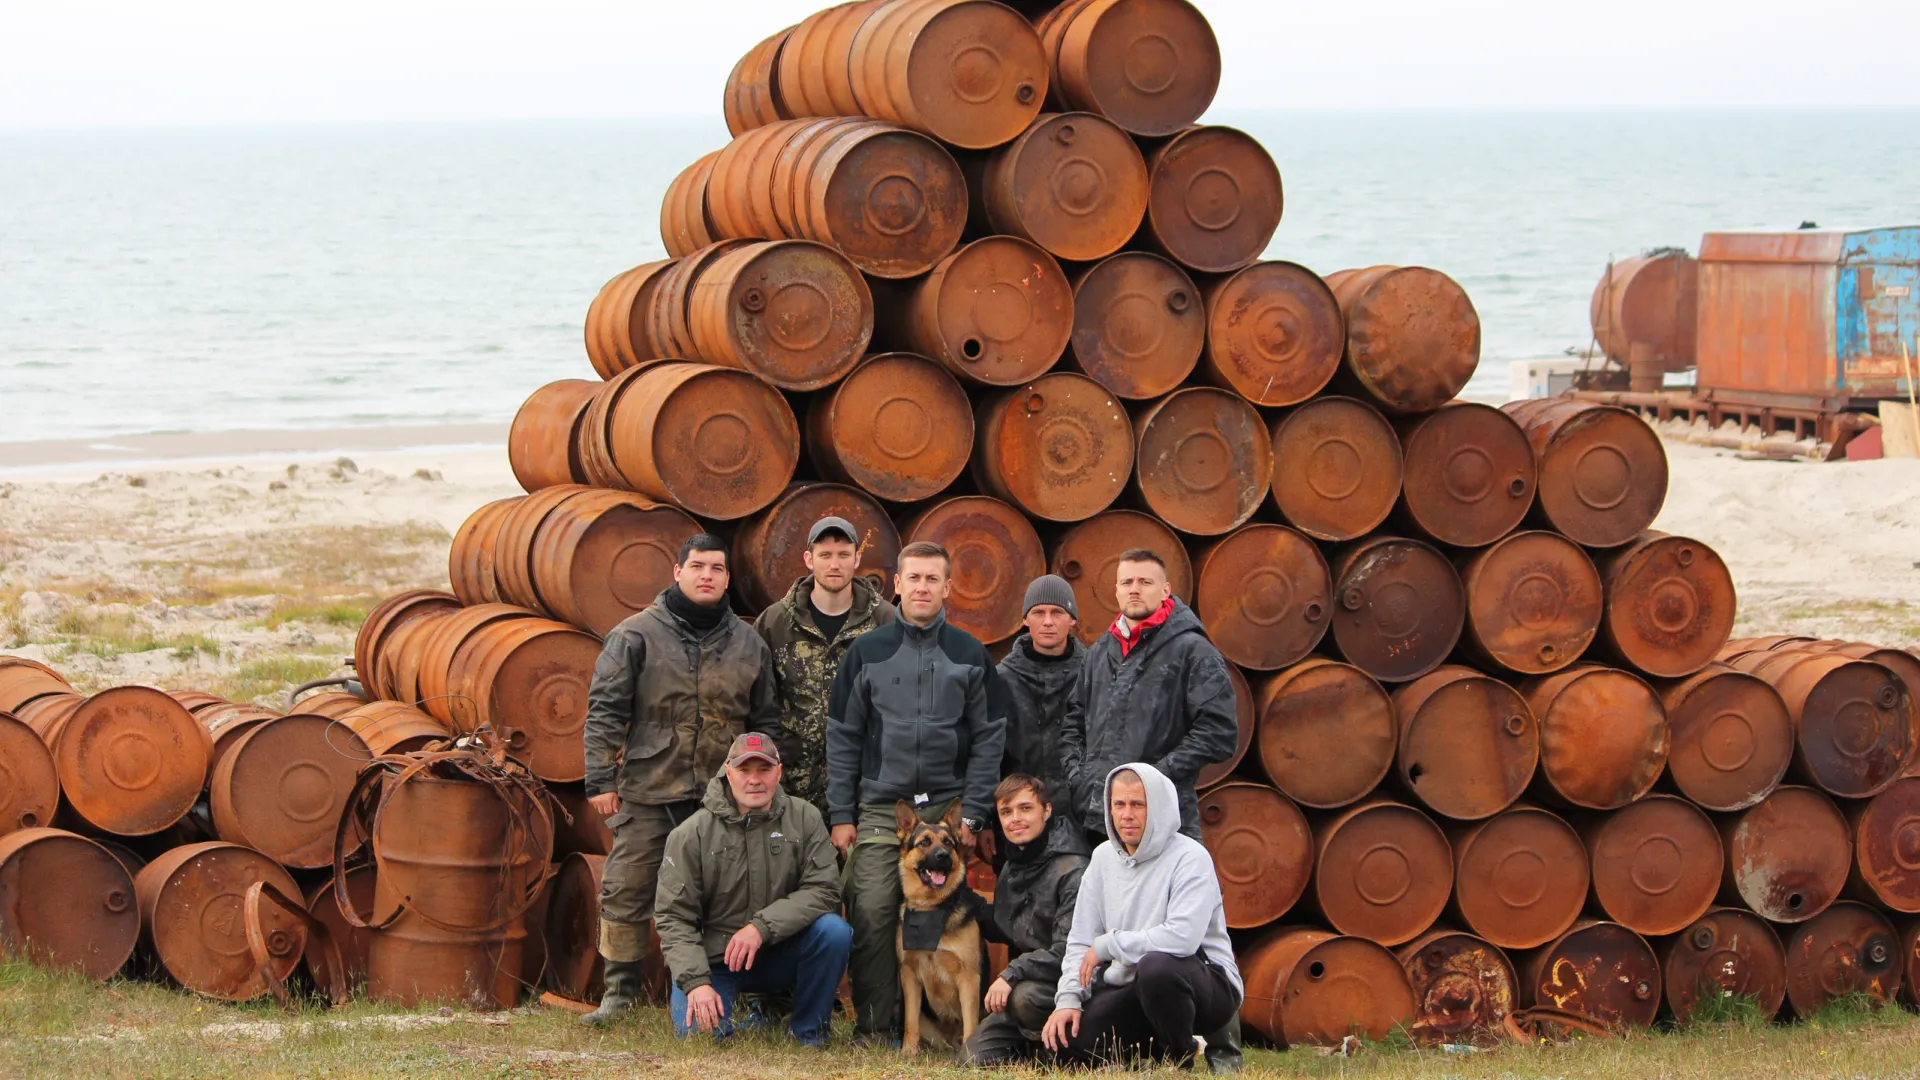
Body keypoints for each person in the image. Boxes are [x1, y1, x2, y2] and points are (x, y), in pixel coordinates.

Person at [579, 533, 782, 1026]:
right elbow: (605, 710)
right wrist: (600, 780)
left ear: (727, 578)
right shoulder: (635, 635)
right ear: (678, 572)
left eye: (716, 567)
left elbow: (765, 722)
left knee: (734, 893)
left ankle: (736, 991)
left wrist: (762, 785)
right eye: (697, 566)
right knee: (626, 887)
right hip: (650, 787)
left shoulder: (748, 642)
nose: (706, 575)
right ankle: (620, 996)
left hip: (722, 795)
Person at [1056, 549, 1243, 1069]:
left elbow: (1219, 731)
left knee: (1191, 936)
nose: (1134, 589)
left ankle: (1223, 1052)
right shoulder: (1100, 652)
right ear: (1114, 591)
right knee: (1104, 923)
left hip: (1170, 814)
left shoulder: (1191, 651)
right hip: (1102, 816)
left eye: (1145, 581)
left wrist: (1154, 777)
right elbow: (1073, 722)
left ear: (1166, 590)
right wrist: (1080, 777)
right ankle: (1142, 1044)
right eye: (1126, 582)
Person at [826, 540, 1006, 1044]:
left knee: (941, 911)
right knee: (873, 906)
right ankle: (877, 1028)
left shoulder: (970, 654)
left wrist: (972, 815)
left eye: (933, 579)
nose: (923, 587)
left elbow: (990, 736)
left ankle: (949, 1029)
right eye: (914, 578)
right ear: (898, 585)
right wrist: (842, 814)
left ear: (947, 587)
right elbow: (842, 736)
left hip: (949, 808)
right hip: (885, 807)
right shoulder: (867, 652)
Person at [654, 732, 851, 1047]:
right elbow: (673, 916)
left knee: (834, 932)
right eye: (745, 770)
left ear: (779, 772)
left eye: (764, 769)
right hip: (716, 959)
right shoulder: (691, 834)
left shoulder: (806, 818)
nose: (755, 780)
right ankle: (721, 1005)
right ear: (729, 772)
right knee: (699, 1039)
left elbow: (824, 889)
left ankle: (808, 1032)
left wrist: (761, 927)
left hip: (780, 952)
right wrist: (696, 983)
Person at [1042, 764, 1243, 1069]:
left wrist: (1109, 945)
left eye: (1138, 804)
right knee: (1069, 1046)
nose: (1126, 815)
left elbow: (1182, 938)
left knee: (1157, 968)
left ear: (1159, 807)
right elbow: (1081, 939)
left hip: (1205, 986)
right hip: (1133, 988)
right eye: (1118, 804)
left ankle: (1177, 1060)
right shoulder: (1102, 858)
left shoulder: (1190, 857)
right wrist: (1069, 998)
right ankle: (1142, 1057)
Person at [753, 515, 896, 820]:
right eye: (825, 555)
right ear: (809, 559)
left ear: (857, 559)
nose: (835, 564)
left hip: (864, 791)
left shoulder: (887, 623)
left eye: (844, 555)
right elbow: (760, 706)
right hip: (791, 791)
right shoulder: (775, 623)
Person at [962, 774, 1088, 1068]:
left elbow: (1071, 950)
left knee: (1023, 997)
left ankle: (1058, 1052)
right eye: (1006, 812)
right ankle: (1032, 1047)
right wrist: (960, 896)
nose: (1015, 819)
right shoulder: (1013, 862)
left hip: (1070, 987)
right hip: (1027, 982)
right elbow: (1009, 929)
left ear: (1046, 810)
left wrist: (1011, 973)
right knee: (972, 1058)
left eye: (1025, 808)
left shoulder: (1074, 869)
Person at [994, 575, 1084, 828]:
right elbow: (989, 754)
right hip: (1019, 819)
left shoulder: (1094, 675)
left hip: (1082, 816)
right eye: (1038, 612)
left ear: (1072, 619)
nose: (1047, 622)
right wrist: (988, 819)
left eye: (1057, 612)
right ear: (1025, 619)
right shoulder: (1001, 679)